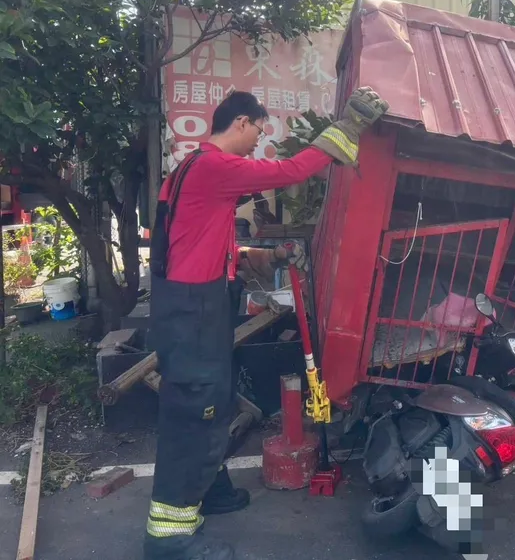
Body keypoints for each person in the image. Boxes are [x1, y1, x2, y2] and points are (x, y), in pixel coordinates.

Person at [144, 87, 389, 560]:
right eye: (258, 129)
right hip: (193, 311)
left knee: (210, 401)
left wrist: (267, 255)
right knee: (196, 411)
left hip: (194, 305)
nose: (259, 140)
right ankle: (168, 537)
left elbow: (199, 245)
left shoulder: (190, 170)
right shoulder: (215, 165)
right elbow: (290, 171)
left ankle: (210, 493)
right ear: (241, 122)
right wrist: (349, 128)